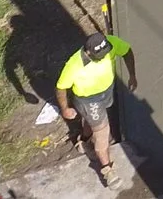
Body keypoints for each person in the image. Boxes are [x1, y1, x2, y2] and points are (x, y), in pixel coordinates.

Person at [56, 32, 136, 187]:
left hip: (106, 91)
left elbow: (127, 51)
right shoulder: (74, 64)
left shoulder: (111, 43)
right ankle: (108, 171)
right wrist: (65, 108)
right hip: (88, 100)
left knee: (93, 122)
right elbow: (61, 87)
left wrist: (132, 75)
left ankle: (84, 142)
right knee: (102, 134)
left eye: (106, 52)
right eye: (100, 55)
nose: (105, 56)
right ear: (88, 53)